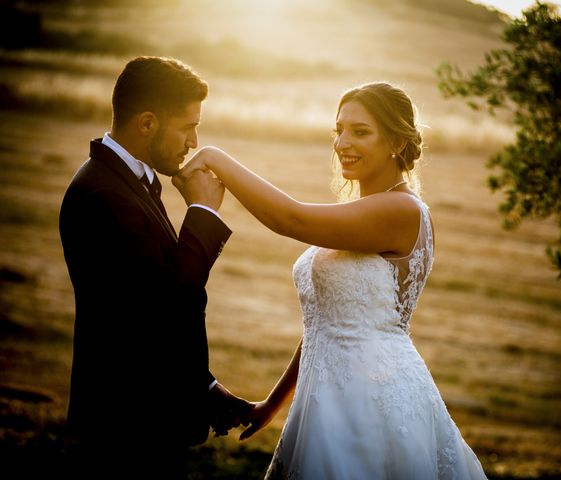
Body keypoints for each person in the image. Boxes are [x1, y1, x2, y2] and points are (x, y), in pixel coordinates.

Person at [178, 82, 487, 479]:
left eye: (360, 131)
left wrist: (214, 157)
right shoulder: (363, 212)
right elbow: (327, 324)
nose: (342, 142)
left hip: (373, 399)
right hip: (323, 398)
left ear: (396, 140)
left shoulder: (400, 210)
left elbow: (291, 219)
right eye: (338, 130)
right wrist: (273, 404)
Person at [58, 56, 253, 480]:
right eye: (187, 127)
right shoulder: (103, 195)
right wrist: (202, 211)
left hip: (146, 418)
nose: (193, 141)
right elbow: (170, 300)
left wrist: (203, 387)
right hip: (126, 429)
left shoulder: (133, 181)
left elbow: (144, 317)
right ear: (147, 123)